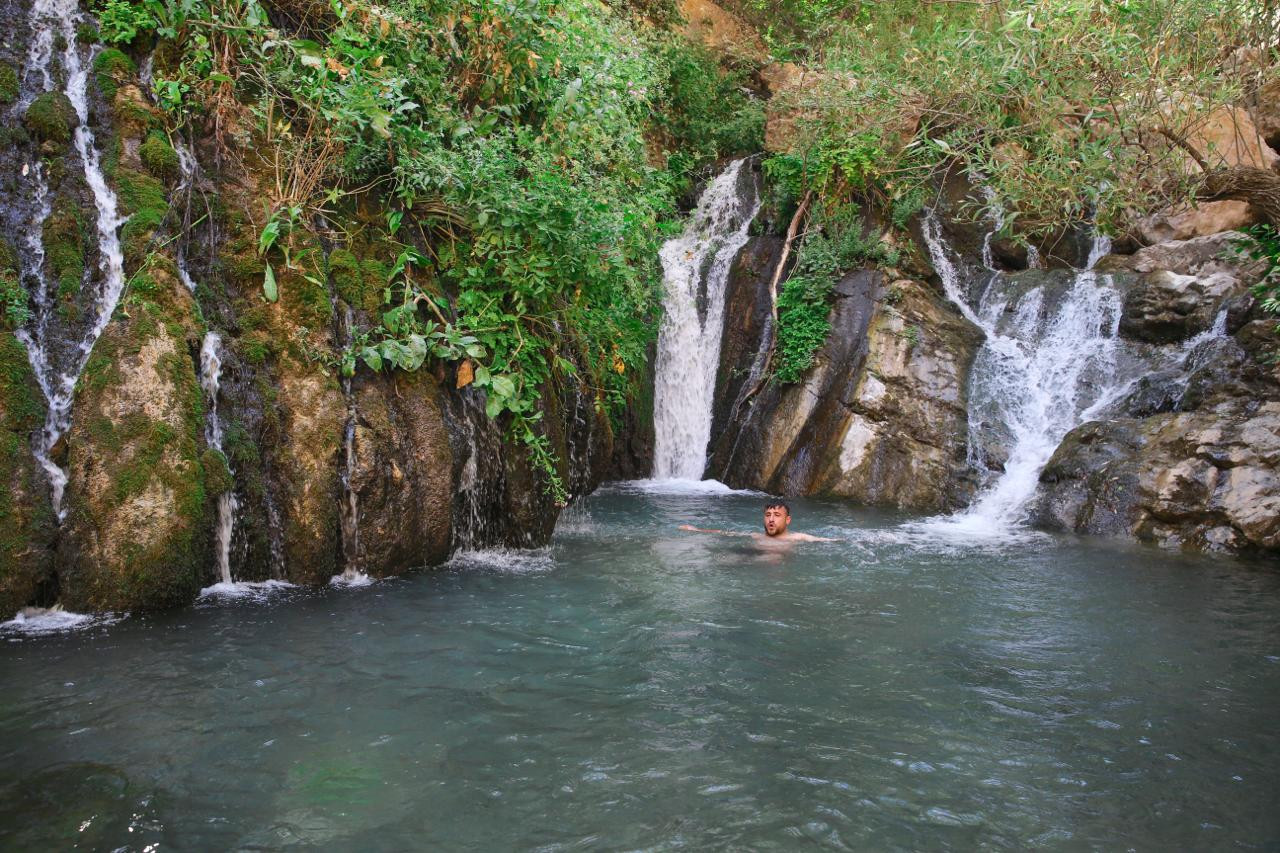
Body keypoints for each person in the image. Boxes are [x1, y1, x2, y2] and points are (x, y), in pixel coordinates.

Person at [678, 501, 838, 542]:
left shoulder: (799, 538)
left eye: (777, 515)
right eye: (768, 515)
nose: (771, 519)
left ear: (788, 520)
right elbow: (725, 533)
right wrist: (696, 530)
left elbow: (827, 541)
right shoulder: (755, 536)